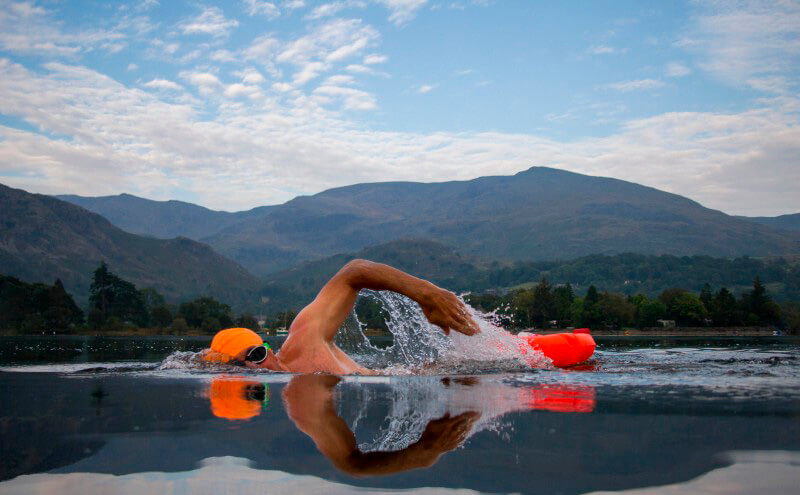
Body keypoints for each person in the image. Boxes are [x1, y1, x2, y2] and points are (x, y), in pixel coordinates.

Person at [203, 259, 480, 374]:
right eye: (244, 366)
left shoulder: (303, 341)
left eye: (257, 355)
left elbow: (354, 271)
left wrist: (426, 295)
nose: (256, 368)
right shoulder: (297, 401)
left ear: (267, 349)